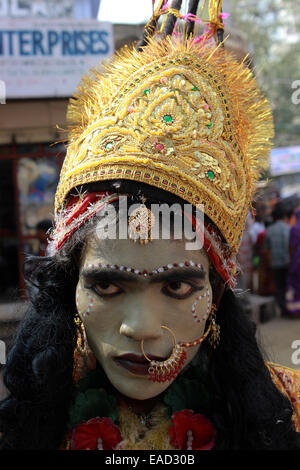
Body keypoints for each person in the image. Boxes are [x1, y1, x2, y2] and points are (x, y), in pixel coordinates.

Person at [0, 1, 299, 451]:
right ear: (70, 288)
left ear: (216, 293)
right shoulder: (22, 427)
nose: (140, 328)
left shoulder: (289, 413)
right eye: (107, 286)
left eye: (177, 287)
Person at [264, 208, 291, 316]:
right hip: (288, 261)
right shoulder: (288, 228)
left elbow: (266, 247)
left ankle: (282, 308)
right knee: (288, 285)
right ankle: (290, 307)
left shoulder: (269, 230)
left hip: (275, 262)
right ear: (284, 217)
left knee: (279, 286)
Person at [286, 207, 300, 317]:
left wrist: (291, 258)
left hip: (296, 260)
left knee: (295, 284)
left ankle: (295, 310)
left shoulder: (294, 229)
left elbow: (291, 247)